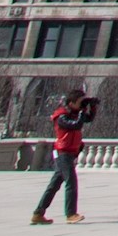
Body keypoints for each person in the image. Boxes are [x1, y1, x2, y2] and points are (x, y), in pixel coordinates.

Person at [28, 90, 97, 225]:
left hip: (69, 153)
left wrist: (92, 107)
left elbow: (88, 119)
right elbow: (77, 125)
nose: (82, 105)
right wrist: (83, 111)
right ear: (71, 103)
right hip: (63, 153)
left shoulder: (73, 114)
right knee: (71, 182)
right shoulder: (61, 117)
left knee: (54, 185)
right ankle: (71, 214)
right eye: (80, 102)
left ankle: (38, 213)